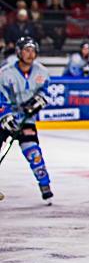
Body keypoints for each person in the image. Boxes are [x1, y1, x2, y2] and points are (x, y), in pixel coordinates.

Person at [0, 37, 54, 203]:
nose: (30, 54)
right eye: (26, 50)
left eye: (33, 50)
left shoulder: (42, 72)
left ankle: (44, 184)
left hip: (26, 120)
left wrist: (40, 100)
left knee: (33, 152)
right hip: (4, 119)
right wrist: (5, 115)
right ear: (18, 52)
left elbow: (46, 90)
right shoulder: (5, 72)